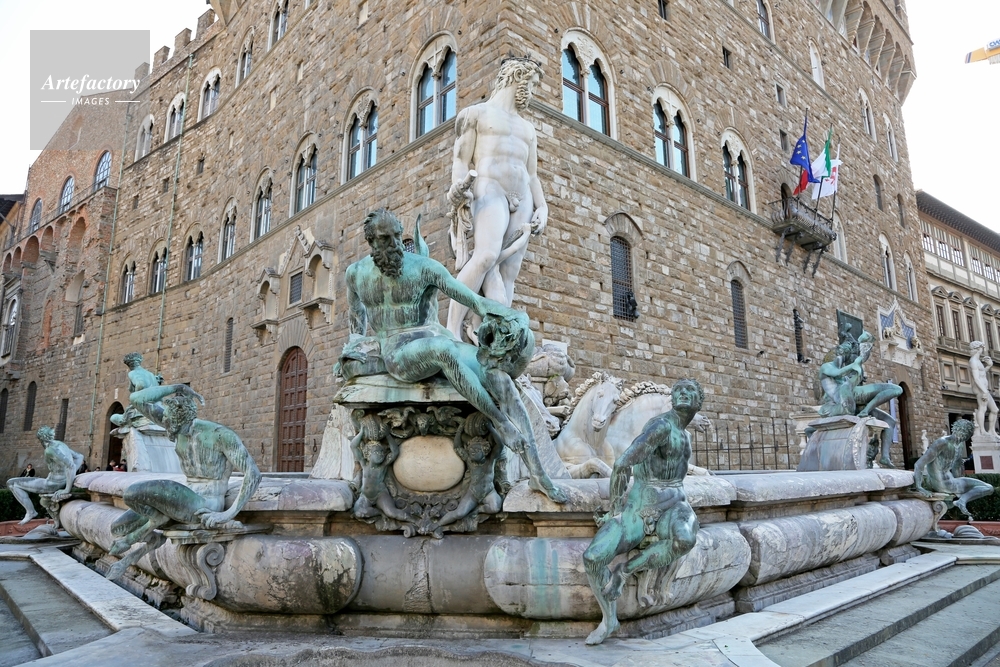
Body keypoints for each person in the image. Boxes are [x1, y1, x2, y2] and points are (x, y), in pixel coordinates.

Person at [344, 208, 566, 503]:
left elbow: (471, 298)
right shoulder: (356, 274)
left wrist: (505, 314)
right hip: (398, 351)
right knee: (444, 351)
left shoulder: (423, 267)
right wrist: (354, 348)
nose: (395, 244)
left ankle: (537, 473)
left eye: (398, 236)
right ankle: (500, 422)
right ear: (372, 242)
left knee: (495, 374)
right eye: (386, 239)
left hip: (432, 337)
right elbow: (356, 324)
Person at [583, 380, 704, 645]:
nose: (683, 393)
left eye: (690, 391)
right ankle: (609, 619)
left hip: (676, 505)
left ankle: (624, 571)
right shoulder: (661, 426)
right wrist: (615, 509)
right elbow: (623, 463)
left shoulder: (686, 435)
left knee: (685, 539)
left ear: (699, 402)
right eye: (678, 390)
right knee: (592, 557)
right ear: (672, 398)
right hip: (641, 508)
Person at [105, 383, 262, 581]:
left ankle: (151, 526)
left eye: (167, 418)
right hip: (181, 502)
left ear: (180, 417)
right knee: (118, 528)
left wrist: (227, 514)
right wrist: (176, 387)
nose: (163, 422)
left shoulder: (220, 434)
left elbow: (253, 474)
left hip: (205, 503)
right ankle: (152, 529)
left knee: (132, 493)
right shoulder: (176, 427)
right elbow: (137, 399)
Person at [445, 57, 548, 340]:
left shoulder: (528, 129)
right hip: (489, 189)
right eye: (531, 84)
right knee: (486, 256)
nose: (532, 92)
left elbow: (532, 175)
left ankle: (491, 336)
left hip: (523, 196)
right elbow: (461, 160)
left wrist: (542, 206)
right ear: (517, 77)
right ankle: (452, 330)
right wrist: (458, 188)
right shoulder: (475, 114)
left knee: (508, 271)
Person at [914, 419, 993, 518]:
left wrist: (960, 477)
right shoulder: (942, 442)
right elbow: (919, 464)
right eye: (961, 431)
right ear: (955, 429)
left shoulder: (959, 445)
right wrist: (919, 487)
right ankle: (961, 501)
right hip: (940, 483)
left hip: (951, 481)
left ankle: (961, 501)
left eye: (965, 433)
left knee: (988, 488)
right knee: (987, 488)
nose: (962, 435)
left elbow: (957, 467)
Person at [6, 427, 83, 524]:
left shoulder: (50, 450)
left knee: (11, 483)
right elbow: (79, 457)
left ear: (42, 438)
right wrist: (67, 477)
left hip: (52, 484)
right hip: (56, 481)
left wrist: (66, 489)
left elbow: (70, 466)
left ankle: (31, 512)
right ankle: (31, 512)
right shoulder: (60, 444)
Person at [970, 341, 998, 438]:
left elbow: (981, 373)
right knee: (982, 408)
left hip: (984, 389)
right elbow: (976, 378)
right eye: (982, 348)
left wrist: (989, 366)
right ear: (978, 349)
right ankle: (982, 431)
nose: (983, 349)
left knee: (994, 410)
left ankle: (991, 431)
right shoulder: (973, 361)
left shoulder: (977, 361)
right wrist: (984, 391)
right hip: (980, 389)